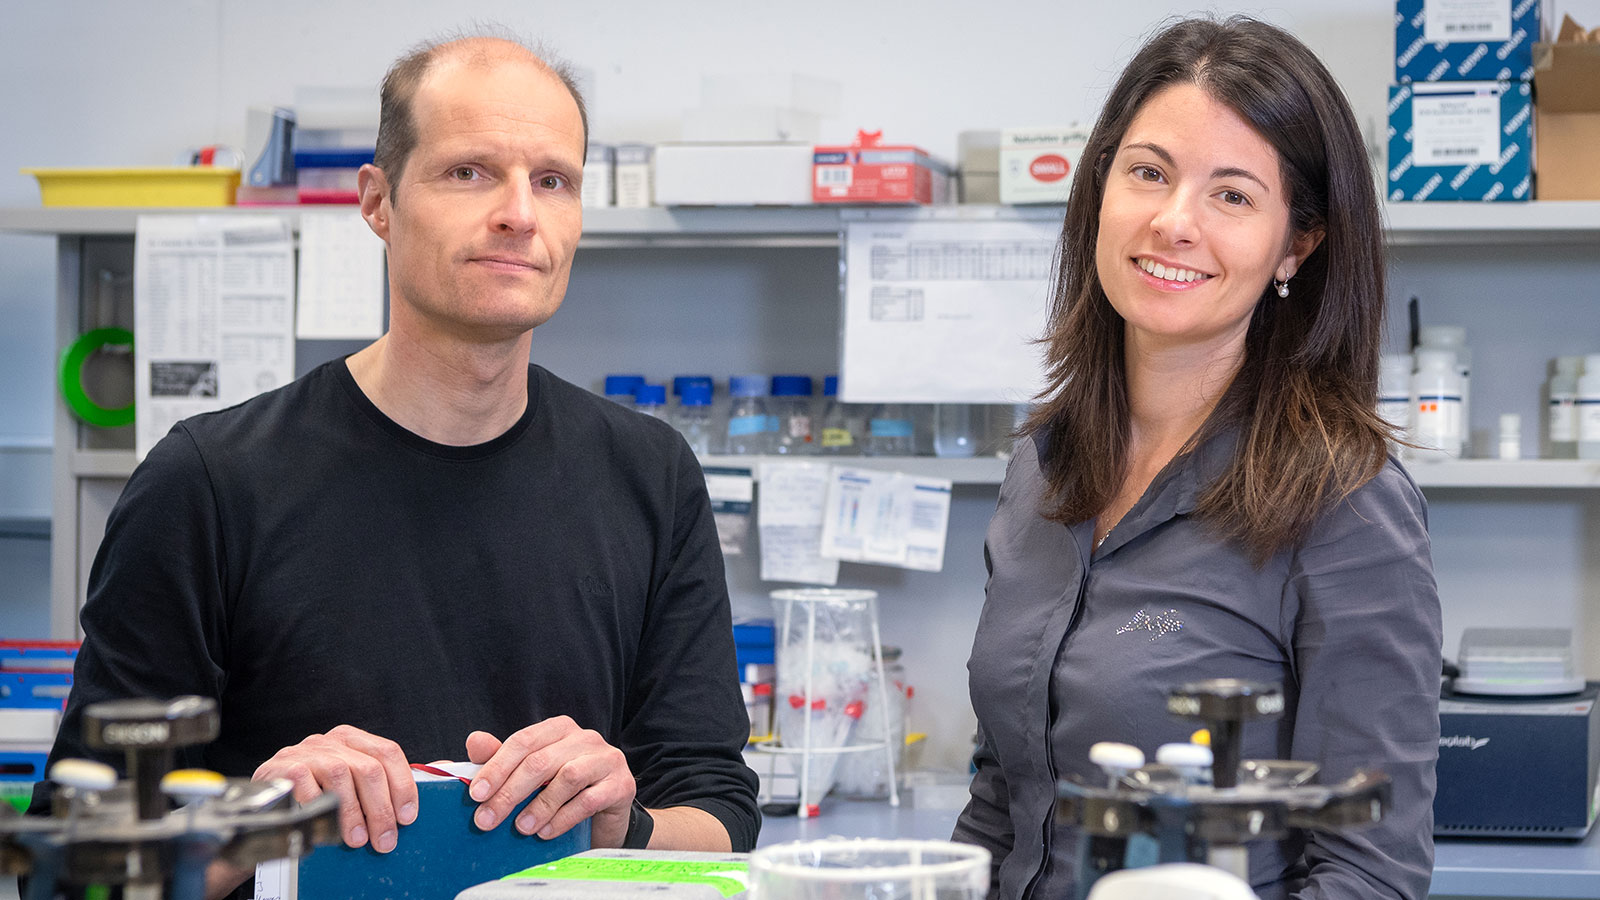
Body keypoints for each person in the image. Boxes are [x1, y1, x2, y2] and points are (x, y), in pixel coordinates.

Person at [37, 32, 758, 898]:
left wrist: (623, 824)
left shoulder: (650, 474)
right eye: (470, 172)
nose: (520, 213)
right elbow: (75, 863)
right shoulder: (209, 482)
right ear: (378, 201)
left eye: (552, 180)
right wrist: (257, 822)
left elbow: (717, 812)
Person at [951, 16, 1440, 900]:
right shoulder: (1043, 465)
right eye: (1148, 173)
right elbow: (1002, 803)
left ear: (1298, 244)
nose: (1174, 222)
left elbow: (1370, 874)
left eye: (1233, 195)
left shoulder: (1345, 501)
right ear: (1101, 188)